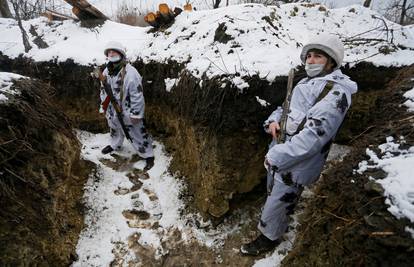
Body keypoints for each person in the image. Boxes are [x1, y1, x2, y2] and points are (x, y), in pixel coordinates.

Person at [240, 34, 357, 256]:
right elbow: (286, 108)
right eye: (309, 56)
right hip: (281, 147)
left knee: (280, 197)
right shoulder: (304, 83)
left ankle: (269, 237)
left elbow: (313, 138)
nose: (311, 61)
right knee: (275, 192)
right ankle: (277, 218)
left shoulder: (335, 92)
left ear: (331, 61)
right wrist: (274, 121)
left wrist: (277, 156)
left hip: (296, 158)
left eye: (318, 56)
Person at [100, 41, 155, 171]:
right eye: (109, 52)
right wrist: (103, 106)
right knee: (114, 129)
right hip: (112, 109)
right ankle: (115, 145)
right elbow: (103, 90)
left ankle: (148, 154)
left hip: (127, 109)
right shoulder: (107, 71)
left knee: (137, 132)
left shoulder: (131, 73)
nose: (111, 54)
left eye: (114, 51)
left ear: (121, 54)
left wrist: (136, 113)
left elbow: (137, 95)